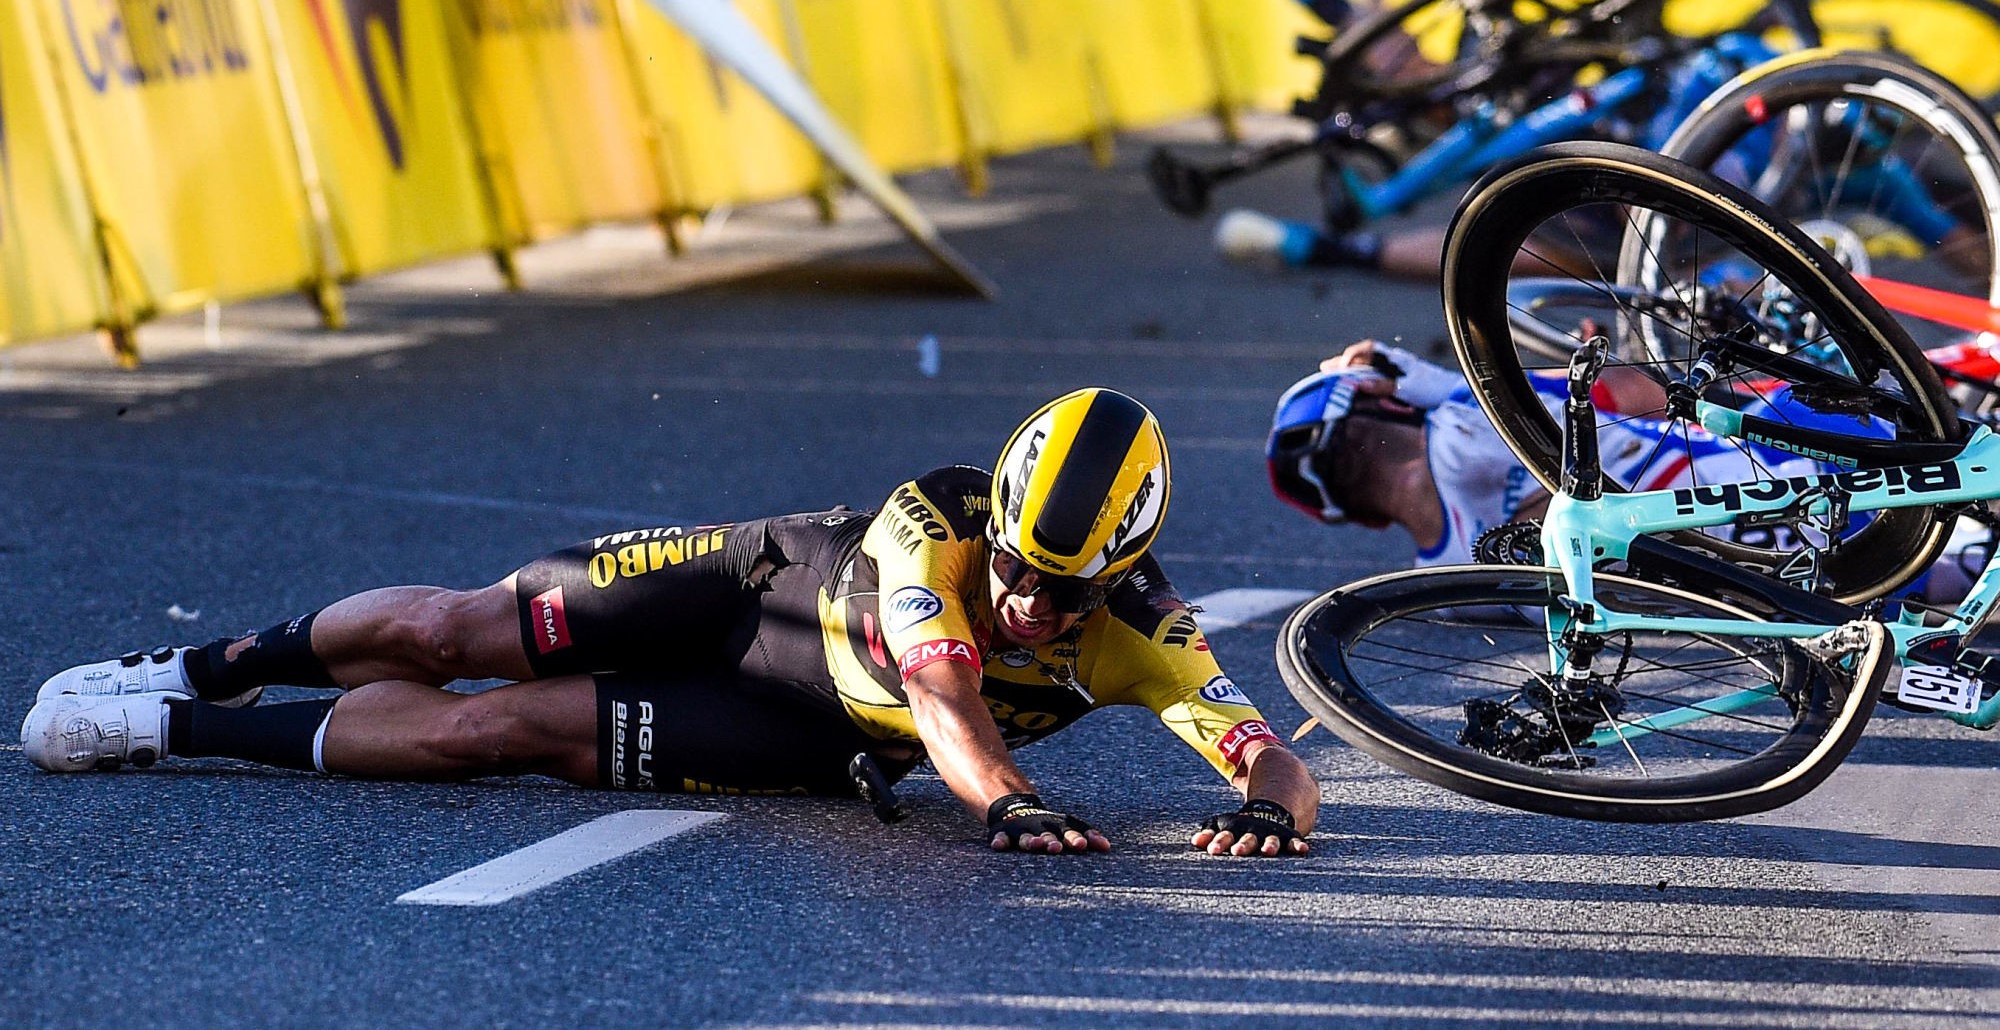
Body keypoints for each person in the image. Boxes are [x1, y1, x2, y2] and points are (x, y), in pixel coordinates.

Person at [23, 388, 1320, 858]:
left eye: (1065, 593)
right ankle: (206, 660)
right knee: (452, 632)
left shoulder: (1149, 626)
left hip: (803, 726)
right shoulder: (940, 517)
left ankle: (167, 726)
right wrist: (1001, 802)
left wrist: (1268, 803)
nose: (1033, 601)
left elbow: (1268, 751)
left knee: (504, 736)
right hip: (763, 590)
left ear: (1127, 572)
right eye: (1023, 568)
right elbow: (945, 695)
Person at [1266, 341, 1987, 597]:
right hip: (1794, 466)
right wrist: (1425, 377)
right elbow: (1632, 391)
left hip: (1799, 550)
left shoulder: (1448, 570)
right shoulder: (1466, 416)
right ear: (1380, 405)